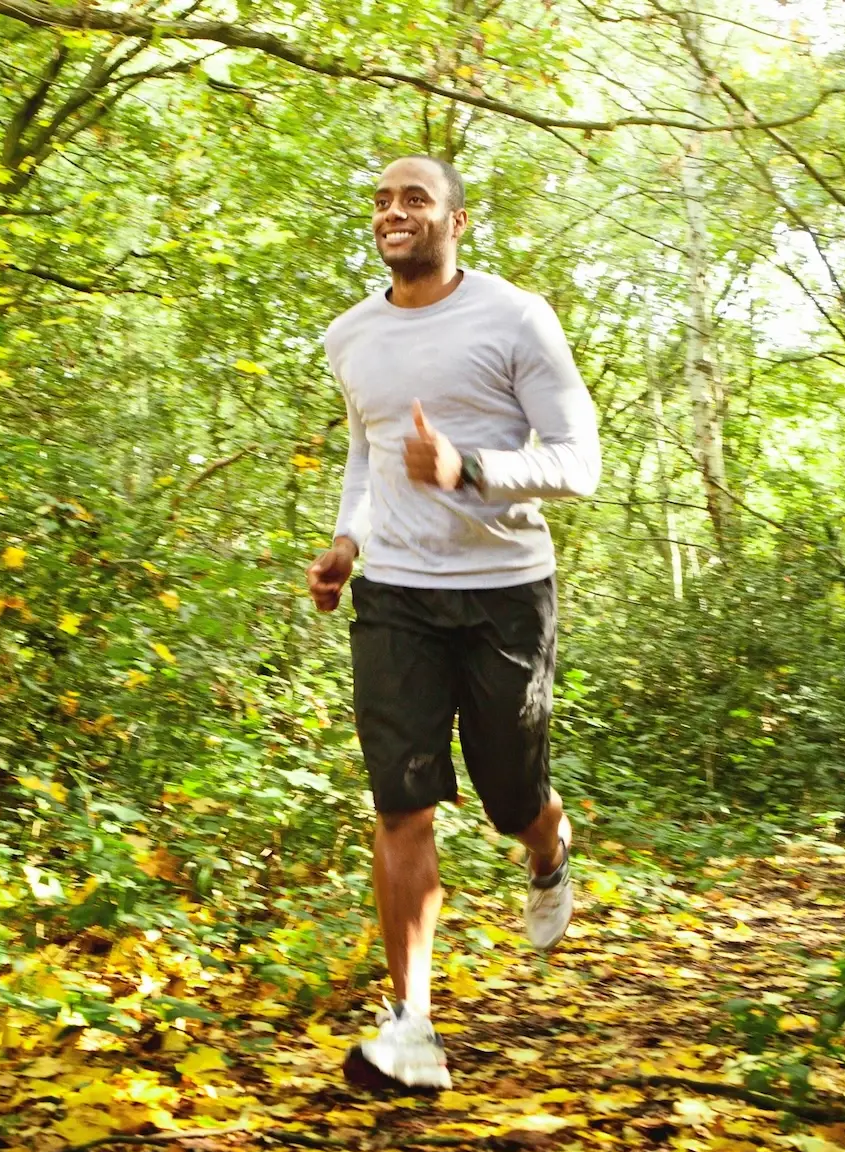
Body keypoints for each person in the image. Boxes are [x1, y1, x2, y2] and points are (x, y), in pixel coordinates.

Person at [306, 155, 602, 1091]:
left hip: (506, 588)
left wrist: (468, 469)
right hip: (393, 591)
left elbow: (579, 462)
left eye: (416, 199)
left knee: (512, 792)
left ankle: (547, 847)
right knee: (402, 800)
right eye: (384, 201)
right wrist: (348, 541)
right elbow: (368, 453)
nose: (396, 212)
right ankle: (412, 1028)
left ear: (457, 221)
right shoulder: (349, 335)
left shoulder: (516, 318)